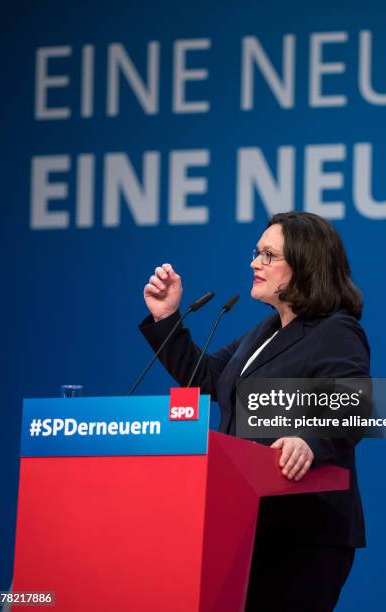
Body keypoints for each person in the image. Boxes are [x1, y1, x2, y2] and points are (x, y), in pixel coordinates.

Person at [139, 211, 370, 611]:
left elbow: (352, 403)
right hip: (249, 523)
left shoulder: (336, 330)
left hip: (302, 533)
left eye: (269, 255)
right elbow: (207, 378)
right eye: (256, 252)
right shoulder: (266, 331)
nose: (254, 263)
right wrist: (166, 317)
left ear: (304, 265)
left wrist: (309, 441)